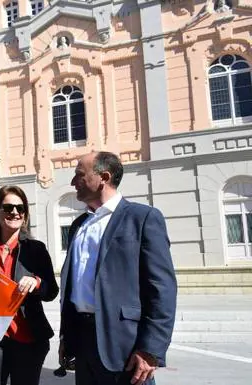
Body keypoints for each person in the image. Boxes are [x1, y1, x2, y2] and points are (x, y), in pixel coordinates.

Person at [58, 151, 177, 385]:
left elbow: (162, 289)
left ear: (103, 176)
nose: (73, 182)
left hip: (125, 347)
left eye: (79, 175)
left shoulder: (142, 218)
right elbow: (74, 286)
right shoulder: (78, 226)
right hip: (82, 342)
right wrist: (67, 337)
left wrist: (150, 349)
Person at [0, 185, 59, 385]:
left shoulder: (36, 249)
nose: (15, 212)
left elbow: (51, 290)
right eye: (8, 208)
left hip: (28, 336)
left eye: (20, 208)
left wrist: (36, 282)